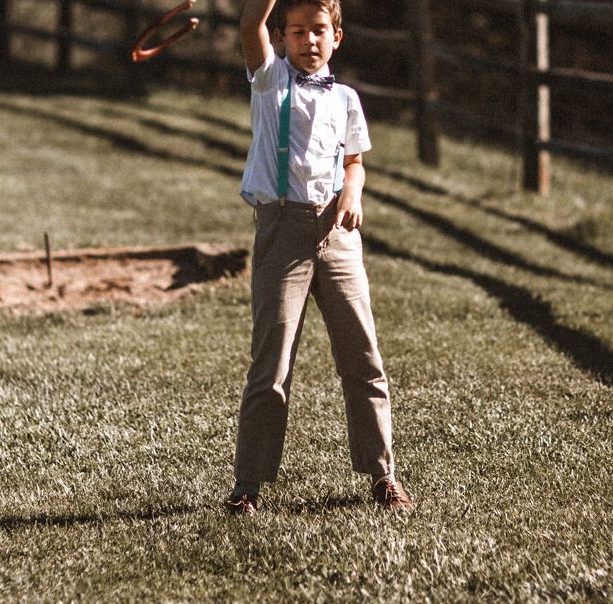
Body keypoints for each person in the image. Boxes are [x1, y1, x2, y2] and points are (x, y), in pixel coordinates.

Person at [225, 0, 411, 515]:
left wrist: (352, 194)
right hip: (283, 231)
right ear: (281, 38)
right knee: (272, 364)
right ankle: (248, 485)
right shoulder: (268, 82)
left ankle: (382, 474)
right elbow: (249, 23)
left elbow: (353, 163)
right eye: (298, 31)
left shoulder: (346, 97)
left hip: (338, 235)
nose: (310, 40)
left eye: (320, 31)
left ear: (337, 37)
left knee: (363, 358)